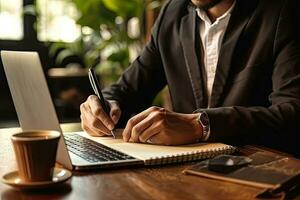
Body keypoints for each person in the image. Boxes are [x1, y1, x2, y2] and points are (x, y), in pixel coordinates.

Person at [80, 0, 300, 156]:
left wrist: (200, 125)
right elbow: (126, 90)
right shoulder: (172, 13)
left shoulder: (283, 10)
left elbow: (293, 111)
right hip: (186, 171)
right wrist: (103, 107)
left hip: (263, 170)